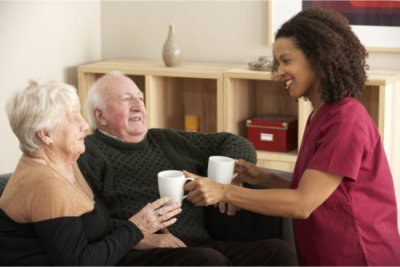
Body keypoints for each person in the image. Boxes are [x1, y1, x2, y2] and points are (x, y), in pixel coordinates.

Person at [184, 7, 400, 266]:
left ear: (318, 57)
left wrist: (223, 192)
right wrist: (265, 178)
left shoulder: (346, 120)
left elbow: (302, 203)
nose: (279, 72)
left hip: (359, 255)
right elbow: (320, 193)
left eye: (286, 61)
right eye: (278, 63)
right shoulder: (321, 115)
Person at [77, 71, 297, 265]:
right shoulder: (88, 153)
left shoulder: (165, 139)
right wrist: (140, 236)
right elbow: (86, 221)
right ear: (100, 116)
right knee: (207, 260)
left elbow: (236, 143)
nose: (138, 106)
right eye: (125, 100)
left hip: (198, 246)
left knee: (277, 252)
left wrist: (227, 180)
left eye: (140, 98)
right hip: (139, 251)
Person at [0, 79, 181, 265]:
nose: (85, 125)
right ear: (45, 135)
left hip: (104, 256)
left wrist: (138, 237)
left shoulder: (65, 163)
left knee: (202, 256)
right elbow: (79, 263)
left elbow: (89, 231)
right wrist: (137, 229)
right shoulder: (46, 184)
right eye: (73, 119)